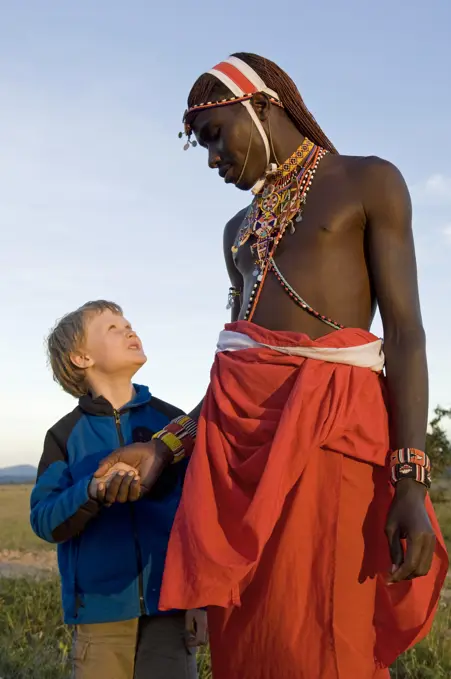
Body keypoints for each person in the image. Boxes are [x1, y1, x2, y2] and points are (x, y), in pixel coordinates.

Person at [94, 54, 449, 679]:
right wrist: (164, 447)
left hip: (330, 443)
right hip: (236, 470)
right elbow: (240, 372)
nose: (211, 159)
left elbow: (408, 335)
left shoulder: (369, 181)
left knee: (323, 636)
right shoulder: (237, 232)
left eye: (213, 136)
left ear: (260, 106)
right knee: (248, 645)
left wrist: (411, 481)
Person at [30, 300, 207, 679]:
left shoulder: (172, 424)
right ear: (81, 358)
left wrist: (200, 600)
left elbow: (198, 516)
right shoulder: (64, 436)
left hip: (171, 608)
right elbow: (44, 520)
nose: (130, 330)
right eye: (112, 327)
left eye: (128, 323)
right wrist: (90, 492)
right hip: (100, 617)